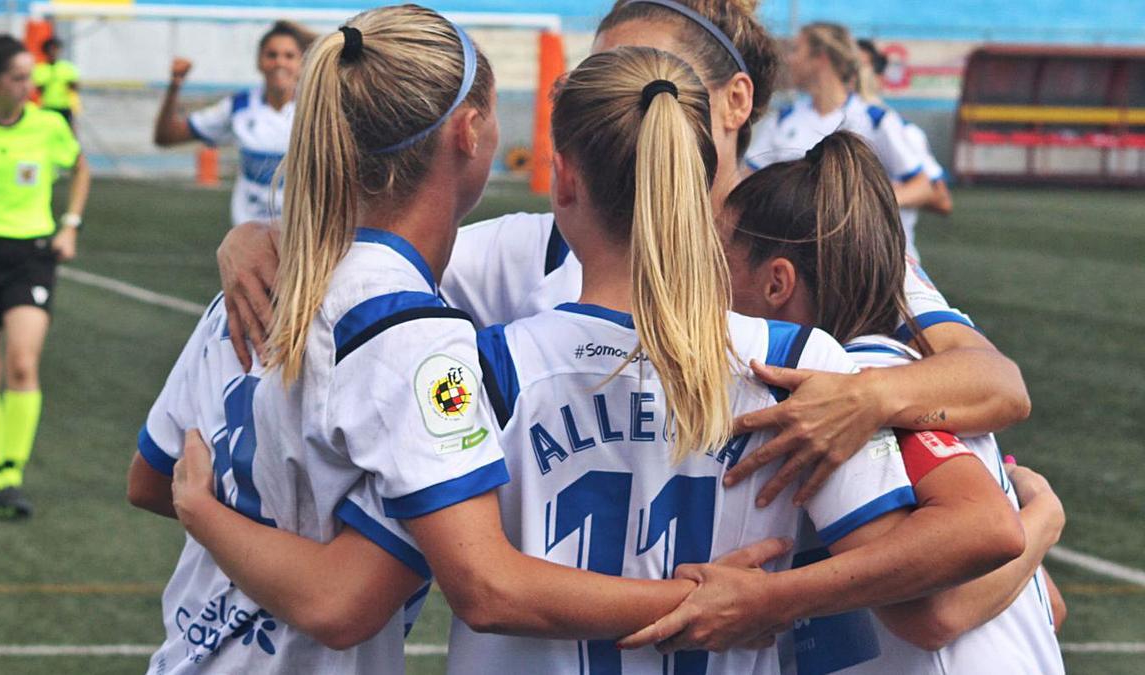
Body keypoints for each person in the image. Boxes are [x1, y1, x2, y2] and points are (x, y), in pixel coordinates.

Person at [166, 45, 1023, 675]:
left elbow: (388, 587)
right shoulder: (804, 367)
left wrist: (205, 506)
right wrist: (771, 600)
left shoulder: (476, 370)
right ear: (699, 185)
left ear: (563, 180)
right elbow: (935, 575)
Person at [214, 0, 1032, 511]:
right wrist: (256, 236)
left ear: (735, 100)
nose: (628, 96)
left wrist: (869, 397)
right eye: (605, 74)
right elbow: (370, 266)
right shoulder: (538, 245)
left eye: (651, 73)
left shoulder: (811, 230)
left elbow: (995, 382)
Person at [129, 9, 740, 672]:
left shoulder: (253, 288)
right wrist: (707, 599)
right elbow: (380, 598)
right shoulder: (419, 336)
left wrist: (209, 510)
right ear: (469, 131)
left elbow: (152, 478)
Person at [723, 131, 1065, 673]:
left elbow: (938, 613)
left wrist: (1042, 519)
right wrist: (1042, 521)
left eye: (720, 266)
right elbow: (1048, 605)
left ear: (776, 283)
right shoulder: (917, 379)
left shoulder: (853, 383)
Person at [0, 27, 90, 517]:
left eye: (30, 77)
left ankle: (13, 475)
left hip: (30, 256)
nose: (28, 86)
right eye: (16, 77)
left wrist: (69, 225)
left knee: (22, 364)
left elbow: (81, 169)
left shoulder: (48, 125)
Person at [745, 22, 933, 211]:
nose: (789, 59)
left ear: (821, 58)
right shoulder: (782, 120)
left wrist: (860, 208)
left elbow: (921, 186)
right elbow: (747, 178)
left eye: (796, 50)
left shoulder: (875, 120)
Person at [153, 20, 316, 227]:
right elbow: (166, 137)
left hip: (299, 235)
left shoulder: (314, 109)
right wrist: (175, 86)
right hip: (248, 236)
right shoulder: (238, 107)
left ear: (302, 63)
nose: (279, 63)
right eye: (271, 55)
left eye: (289, 56)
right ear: (259, 62)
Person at [855, 37, 952, 259]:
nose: (853, 76)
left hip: (891, 257)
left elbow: (941, 197)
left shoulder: (898, 128)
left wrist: (871, 196)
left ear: (878, 79)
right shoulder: (812, 120)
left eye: (860, 68)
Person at [31, 37, 80, 126]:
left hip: (65, 106)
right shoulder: (40, 69)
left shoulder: (67, 67)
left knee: (67, 131)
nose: (53, 52)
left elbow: (75, 87)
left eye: (56, 49)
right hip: (47, 106)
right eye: (51, 49)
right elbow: (38, 89)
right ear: (45, 51)